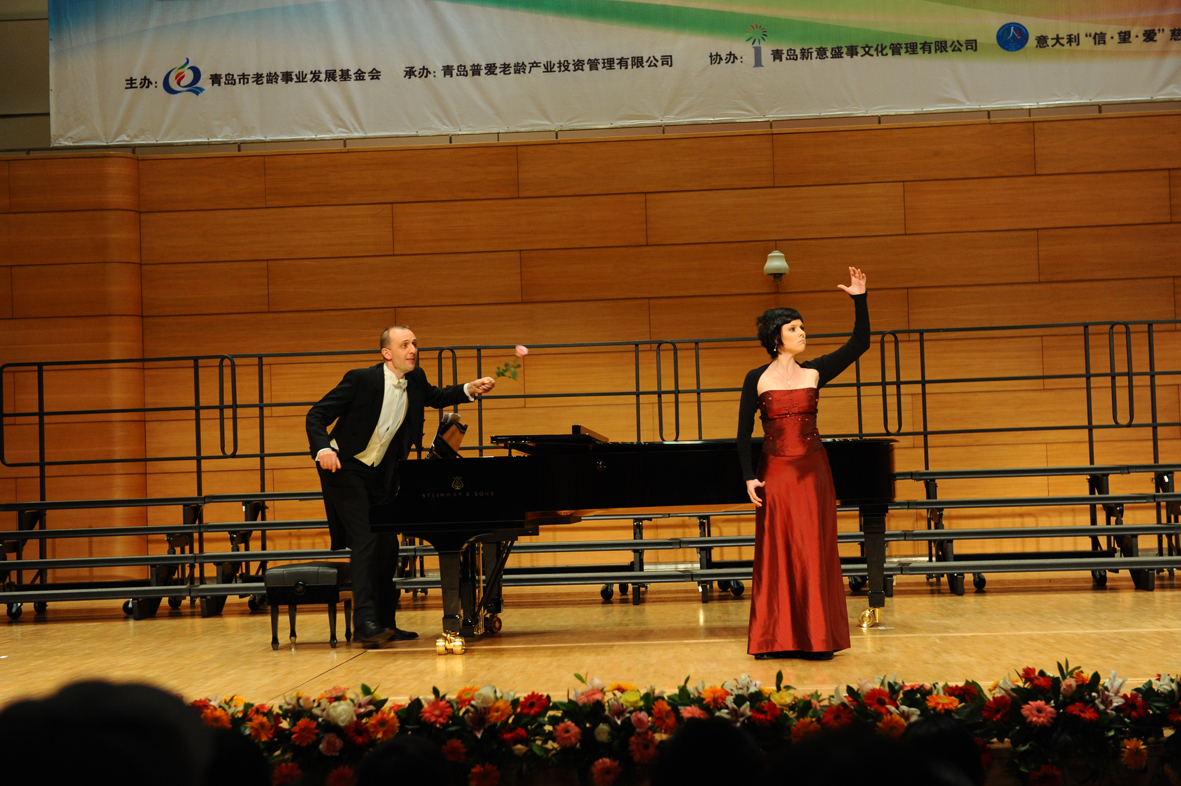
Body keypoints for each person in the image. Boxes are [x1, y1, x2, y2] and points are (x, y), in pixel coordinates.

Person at [306, 325, 494, 645]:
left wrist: (469, 389)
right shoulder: (360, 379)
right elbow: (316, 415)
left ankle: (385, 623)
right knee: (366, 537)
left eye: (414, 343)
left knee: (387, 545)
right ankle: (364, 623)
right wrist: (323, 448)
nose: (413, 349)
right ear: (386, 353)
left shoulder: (415, 379)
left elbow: (437, 397)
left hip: (381, 475)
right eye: (404, 344)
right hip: (344, 467)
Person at [736, 267, 869, 660]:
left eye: (802, 327)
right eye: (794, 328)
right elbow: (742, 433)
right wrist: (748, 477)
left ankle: (817, 638)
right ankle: (772, 639)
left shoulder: (815, 371)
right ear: (776, 338)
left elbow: (860, 343)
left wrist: (859, 299)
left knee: (814, 548)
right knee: (776, 551)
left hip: (813, 472)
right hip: (774, 472)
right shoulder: (755, 378)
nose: (802, 332)